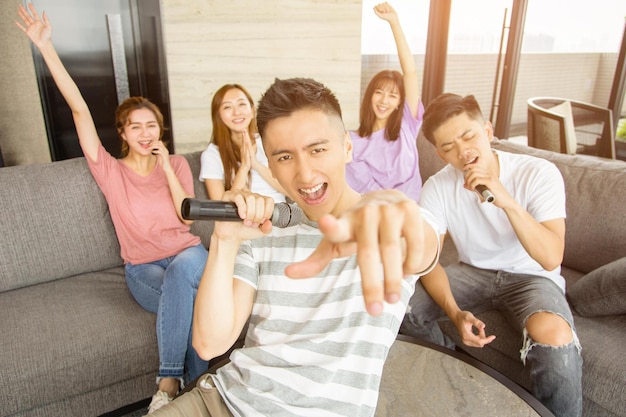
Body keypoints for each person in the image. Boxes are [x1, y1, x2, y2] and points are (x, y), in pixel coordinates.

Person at [150, 77, 440, 417]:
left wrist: (397, 212)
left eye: (318, 150)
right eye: (285, 157)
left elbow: (423, 249)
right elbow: (209, 343)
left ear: (347, 147)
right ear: (270, 165)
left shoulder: (386, 224)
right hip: (220, 401)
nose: (305, 174)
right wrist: (225, 241)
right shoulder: (263, 234)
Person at [16, 4, 209, 413]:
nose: (145, 133)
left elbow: (187, 217)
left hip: (189, 255)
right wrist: (47, 48)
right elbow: (79, 109)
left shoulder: (175, 164)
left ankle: (168, 384)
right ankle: (202, 386)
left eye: (151, 125)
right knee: (191, 303)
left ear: (161, 130)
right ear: (122, 133)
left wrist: (166, 167)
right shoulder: (109, 170)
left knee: (183, 270)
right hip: (142, 269)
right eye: (135, 126)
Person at [399, 93, 583, 417]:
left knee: (553, 336)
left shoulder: (538, 173)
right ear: (440, 153)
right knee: (399, 302)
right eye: (449, 146)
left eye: (468, 136)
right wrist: (455, 312)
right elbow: (428, 262)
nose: (462, 150)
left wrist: (506, 201)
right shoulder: (438, 187)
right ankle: (453, 378)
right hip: (474, 272)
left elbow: (551, 257)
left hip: (532, 277)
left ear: (488, 130)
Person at [345, 2, 424, 201]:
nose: (384, 100)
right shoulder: (352, 142)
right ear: (370, 95)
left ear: (400, 102)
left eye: (393, 95)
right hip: (376, 212)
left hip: (413, 211)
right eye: (379, 92)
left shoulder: (408, 124)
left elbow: (411, 72)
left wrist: (394, 22)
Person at [200, 84, 286, 202]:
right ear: (218, 116)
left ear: (252, 110)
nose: (237, 112)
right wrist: (244, 167)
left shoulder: (269, 140)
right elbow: (220, 209)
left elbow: (291, 191)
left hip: (280, 215)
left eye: (242, 104)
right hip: (246, 218)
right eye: (227, 107)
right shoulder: (212, 155)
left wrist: (256, 164)